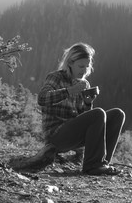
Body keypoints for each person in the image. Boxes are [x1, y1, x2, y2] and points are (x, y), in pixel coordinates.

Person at [19, 42, 126, 175]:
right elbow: (42, 99)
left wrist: (87, 103)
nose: (84, 70)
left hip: (74, 134)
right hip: (56, 135)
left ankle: (102, 163)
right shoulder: (56, 77)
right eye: (81, 66)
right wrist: (69, 91)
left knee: (117, 115)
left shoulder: (84, 84)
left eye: (87, 66)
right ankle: (92, 166)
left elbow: (85, 119)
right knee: (98, 113)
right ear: (70, 62)